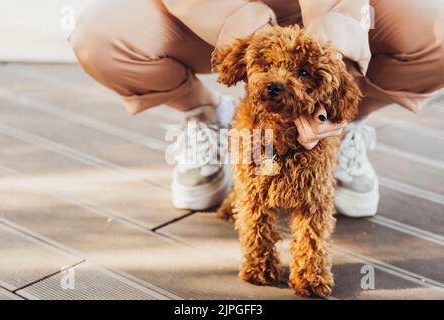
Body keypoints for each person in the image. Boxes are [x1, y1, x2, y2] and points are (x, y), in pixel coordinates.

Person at [70, 0, 444, 217]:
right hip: (208, 15)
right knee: (99, 36)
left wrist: (338, 68)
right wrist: (255, 38)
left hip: (331, 8)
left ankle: (340, 127)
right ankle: (206, 116)